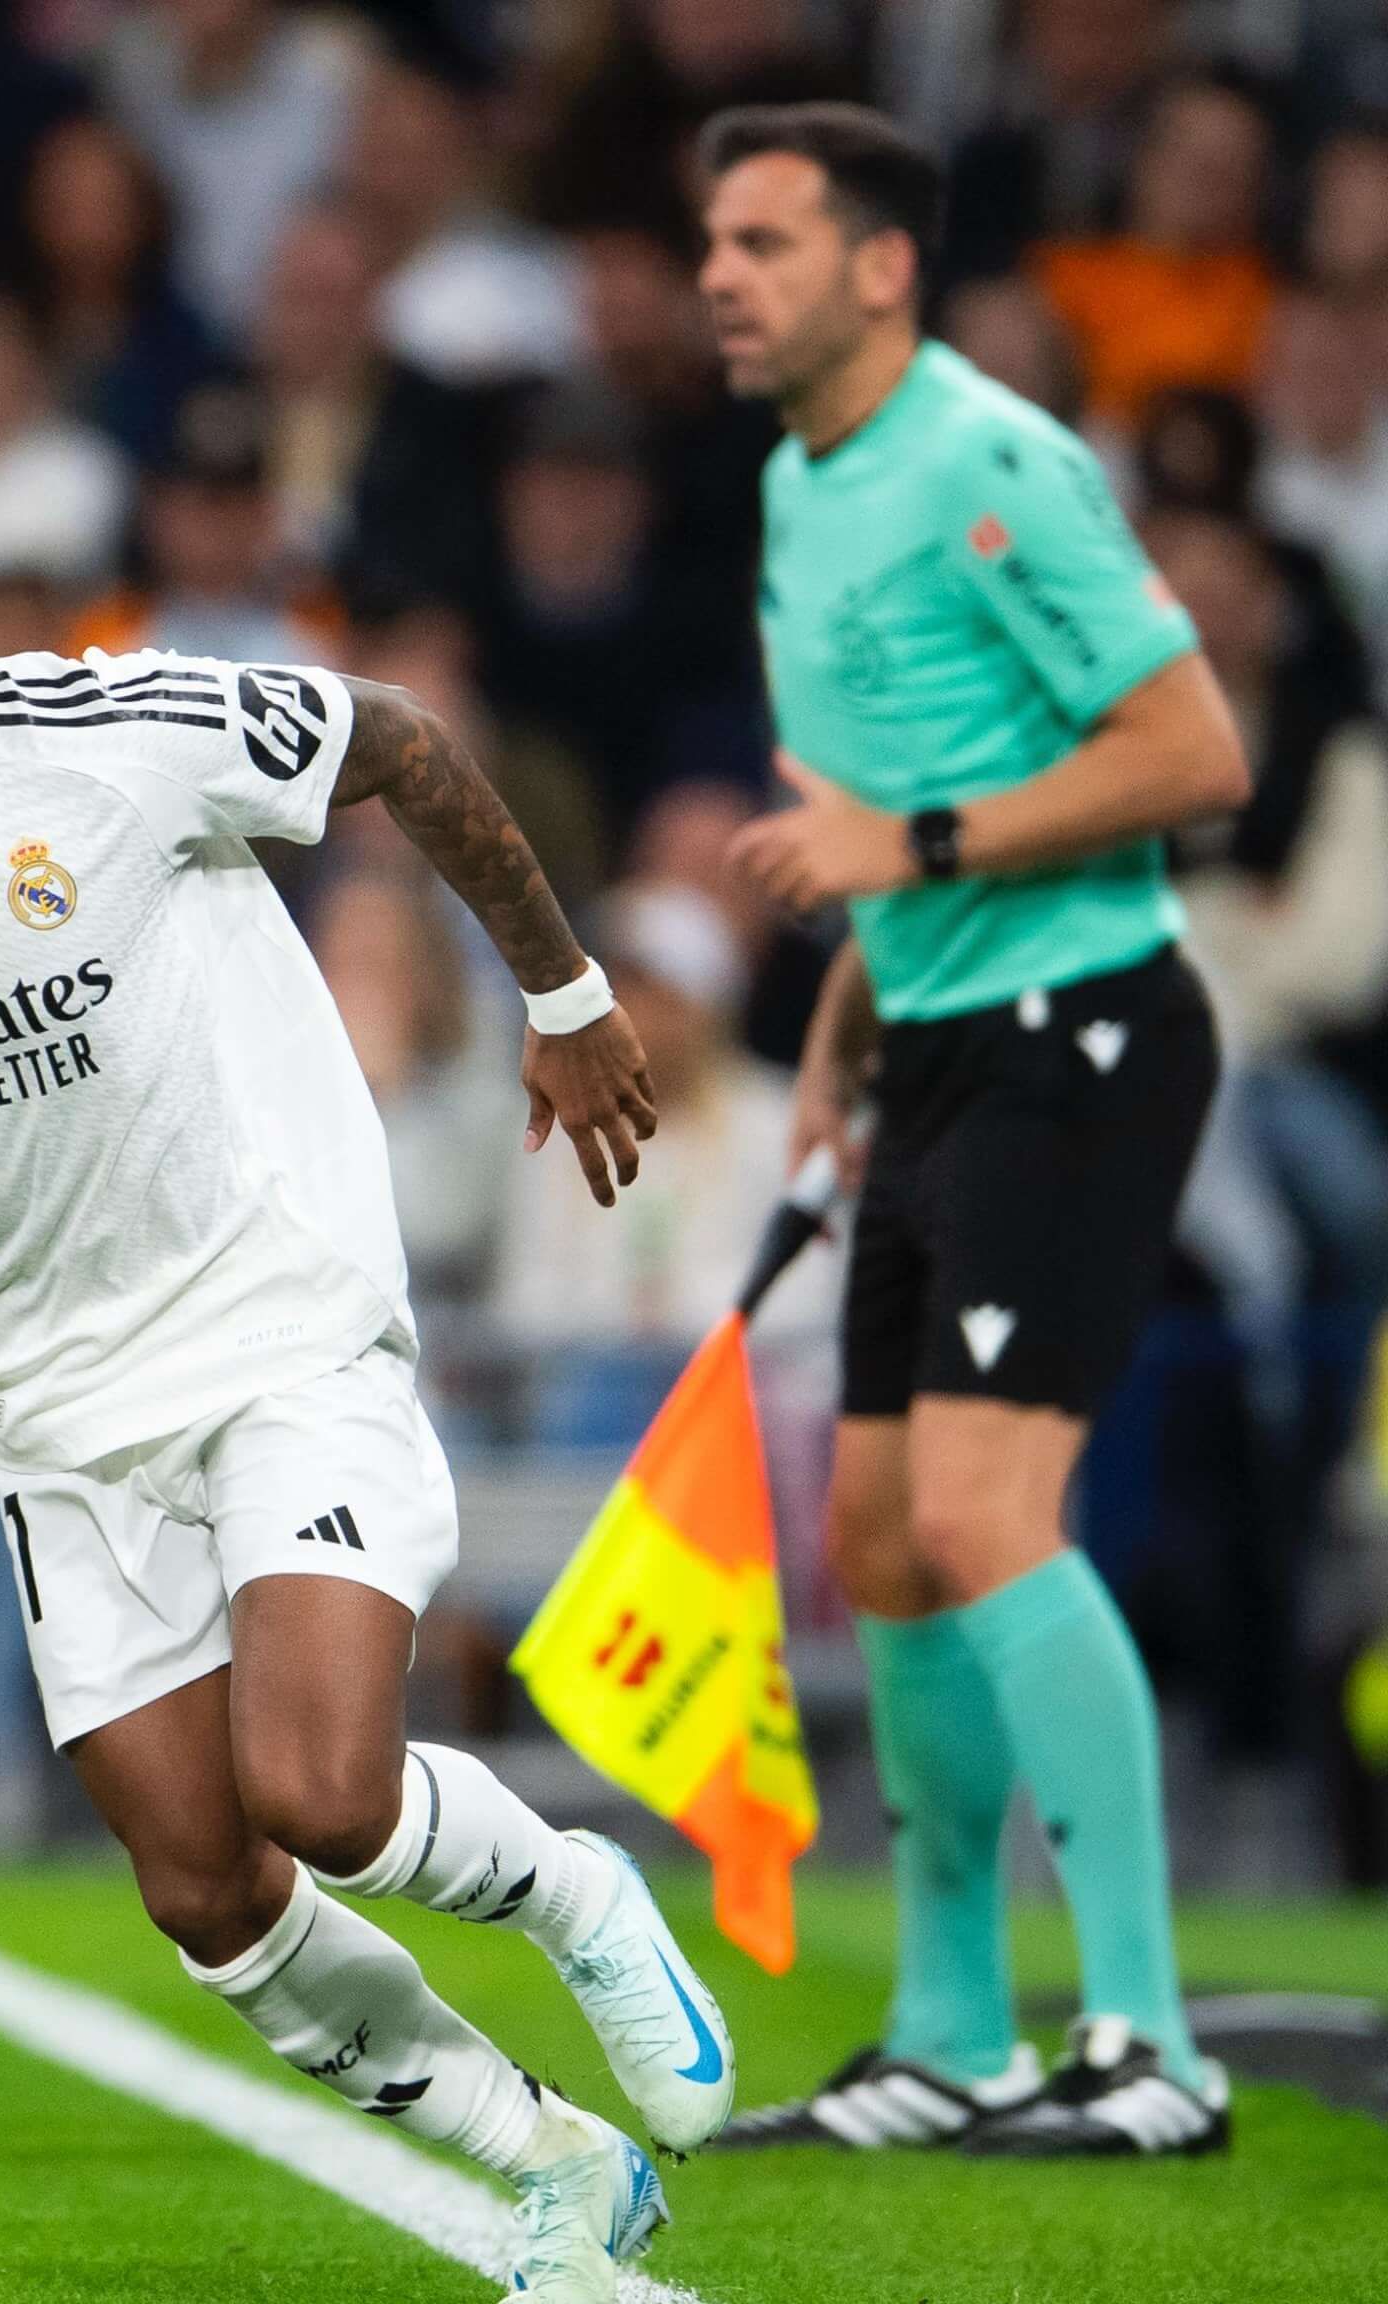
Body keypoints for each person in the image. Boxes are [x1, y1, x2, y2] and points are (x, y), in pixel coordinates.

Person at [0, 418, 711, 2304]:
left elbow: (397, 735)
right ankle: (554, 2162)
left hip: (279, 1320)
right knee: (207, 1894)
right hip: (53, 1409)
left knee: (320, 1791)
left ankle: (578, 1893)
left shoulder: (108, 732)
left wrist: (562, 997)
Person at [704, 103, 1250, 2156]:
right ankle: (948, 2033)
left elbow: (1189, 747)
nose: (715, 276)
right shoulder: (790, 484)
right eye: (711, 242)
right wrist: (849, 1024)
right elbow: (893, 799)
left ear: (877, 268)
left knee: (980, 1515)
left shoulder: (989, 459)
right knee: (874, 1541)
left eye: (760, 241)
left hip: (1084, 1029)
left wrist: (905, 851)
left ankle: (1146, 2043)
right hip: (930, 1042)